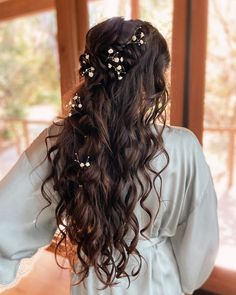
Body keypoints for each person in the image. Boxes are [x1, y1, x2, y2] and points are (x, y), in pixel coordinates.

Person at [0, 17, 219, 295]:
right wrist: (187, 282)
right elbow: (200, 238)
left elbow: (5, 217)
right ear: (153, 79)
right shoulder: (184, 146)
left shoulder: (62, 139)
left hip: (94, 280)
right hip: (160, 279)